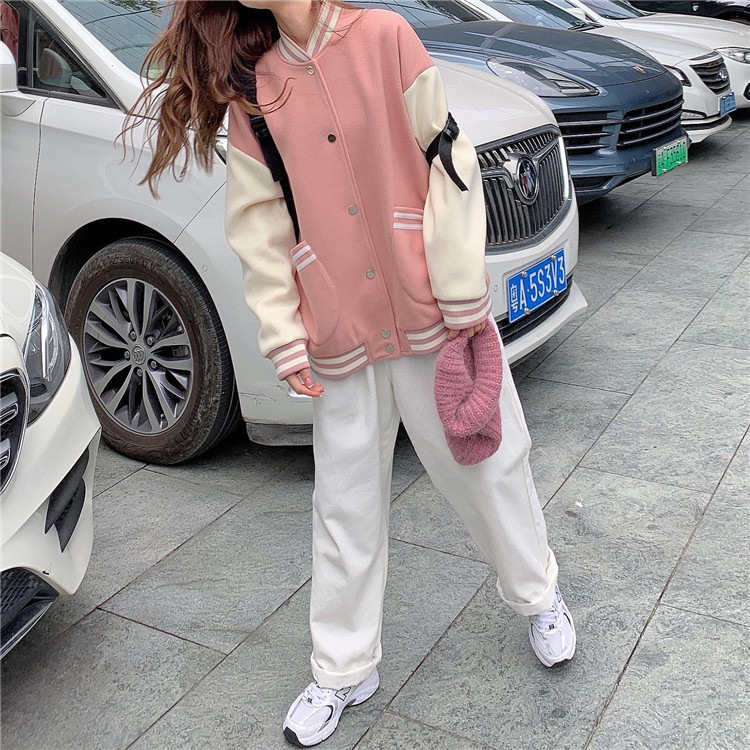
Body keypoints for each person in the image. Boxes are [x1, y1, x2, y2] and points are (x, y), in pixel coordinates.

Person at [124, 1, 576, 747]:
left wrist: (460, 286)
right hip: (340, 328)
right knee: (344, 506)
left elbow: (451, 161)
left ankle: (539, 595)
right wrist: (283, 334)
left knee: (489, 467)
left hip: (433, 312)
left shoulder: (386, 38)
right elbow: (259, 225)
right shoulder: (257, 89)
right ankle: (342, 669)